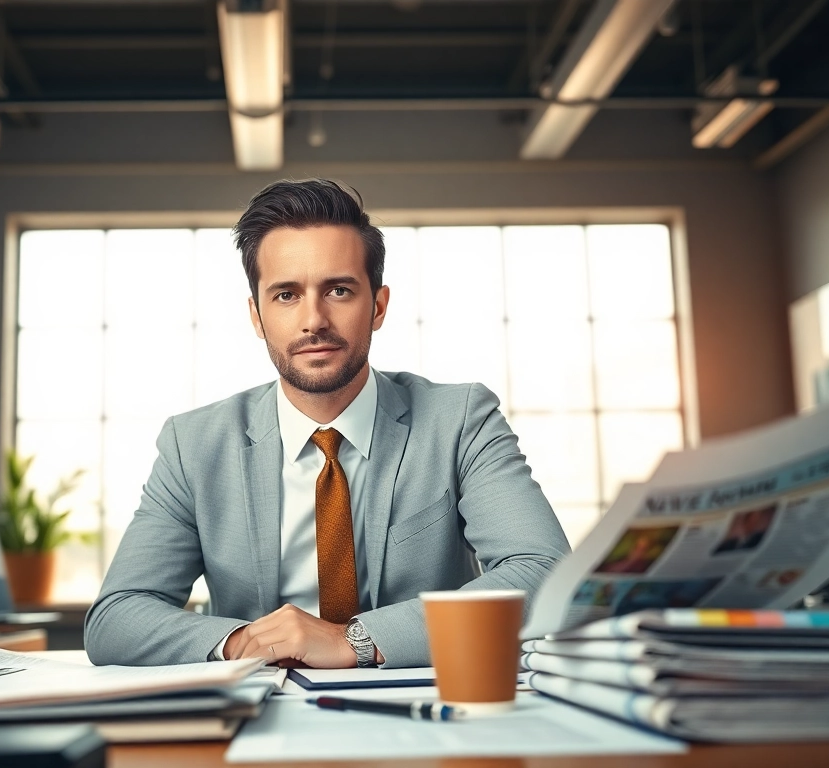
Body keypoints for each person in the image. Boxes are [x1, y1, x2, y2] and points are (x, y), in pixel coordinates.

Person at [84, 179, 569, 668]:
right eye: (286, 295)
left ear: (378, 306)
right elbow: (116, 618)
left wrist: (355, 641)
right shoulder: (193, 445)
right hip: (260, 701)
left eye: (339, 290)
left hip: (419, 698)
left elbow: (544, 571)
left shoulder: (460, 420)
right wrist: (244, 643)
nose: (314, 319)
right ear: (257, 316)